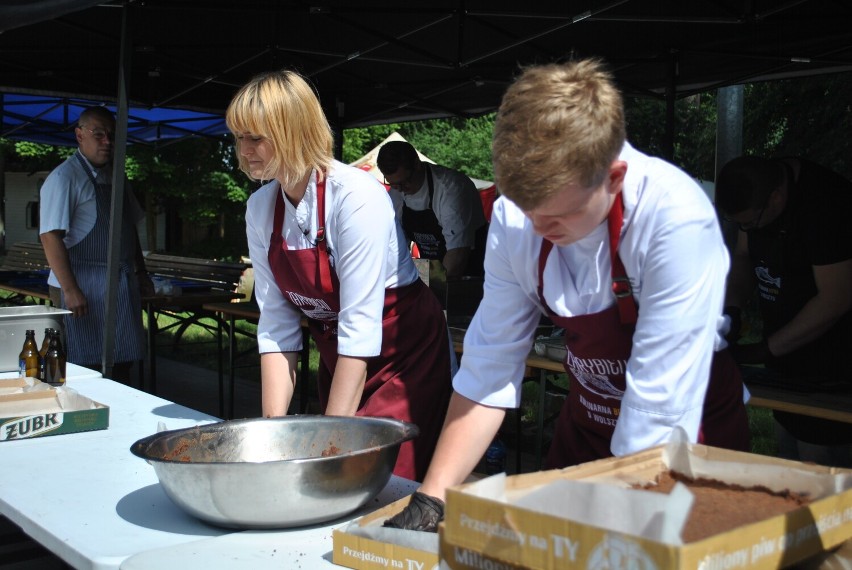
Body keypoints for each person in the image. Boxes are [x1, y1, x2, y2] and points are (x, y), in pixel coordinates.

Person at [384, 58, 750, 531]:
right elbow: (489, 368)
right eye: (526, 209)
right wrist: (433, 499)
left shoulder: (673, 221)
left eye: (558, 215)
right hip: (587, 426)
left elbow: (656, 414)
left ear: (613, 179)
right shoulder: (519, 217)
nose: (537, 228)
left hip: (684, 439)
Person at [226, 70, 455, 481]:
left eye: (255, 137)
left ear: (294, 131)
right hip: (341, 354)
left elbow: (360, 325)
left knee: (372, 478)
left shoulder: (356, 198)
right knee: (319, 471)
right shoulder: (261, 209)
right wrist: (273, 433)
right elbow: (277, 326)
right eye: (239, 137)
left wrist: (331, 445)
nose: (244, 151)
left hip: (403, 357)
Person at [716, 155, 852, 467]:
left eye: (749, 223)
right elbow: (744, 256)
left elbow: (836, 298)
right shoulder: (758, 193)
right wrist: (733, 308)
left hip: (833, 365)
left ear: (776, 197)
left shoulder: (826, 206)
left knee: (820, 475)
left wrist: (764, 350)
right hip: (787, 359)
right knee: (790, 459)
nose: (745, 229)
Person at [39, 106, 152, 382]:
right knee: (83, 367)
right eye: (98, 134)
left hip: (120, 284)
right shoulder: (64, 178)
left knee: (122, 362)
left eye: (111, 136)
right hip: (81, 285)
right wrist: (70, 289)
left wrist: (141, 272)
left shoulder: (117, 177)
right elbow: (49, 236)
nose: (107, 142)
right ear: (79, 135)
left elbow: (129, 229)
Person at [377, 141, 488, 278]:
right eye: (393, 184)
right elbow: (394, 250)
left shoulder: (451, 188)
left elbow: (458, 255)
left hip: (471, 275)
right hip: (432, 271)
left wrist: (427, 288)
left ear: (417, 164)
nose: (400, 189)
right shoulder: (395, 195)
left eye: (405, 182)